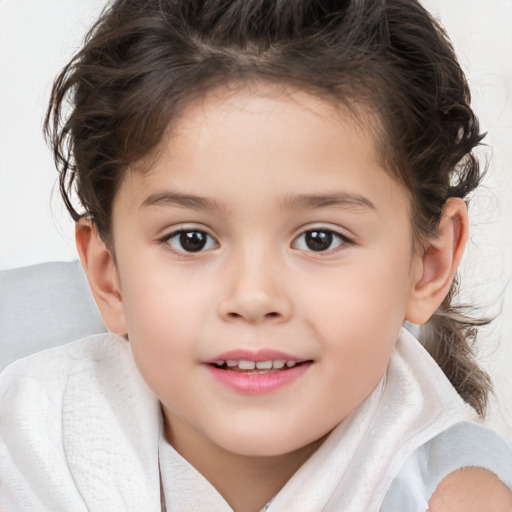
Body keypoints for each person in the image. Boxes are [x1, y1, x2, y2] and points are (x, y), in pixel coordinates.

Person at [1, 0, 512, 510]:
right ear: (108, 278)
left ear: (428, 264)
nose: (253, 297)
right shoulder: (25, 444)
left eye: (320, 238)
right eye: (191, 239)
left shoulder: (454, 497)